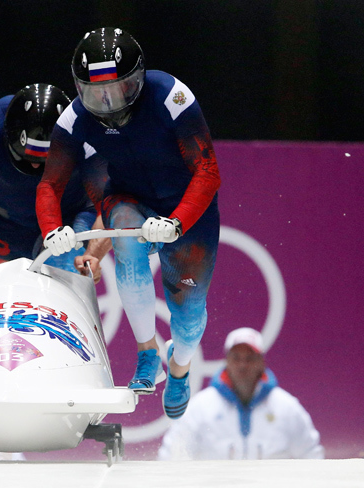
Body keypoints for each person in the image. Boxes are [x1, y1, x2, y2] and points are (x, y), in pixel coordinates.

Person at [36, 27, 220, 419]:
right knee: (125, 237)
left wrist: (177, 221)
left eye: (119, 90)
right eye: (95, 93)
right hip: (130, 198)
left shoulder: (172, 97)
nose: (106, 102)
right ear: (79, 88)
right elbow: (50, 184)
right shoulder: (73, 119)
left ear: (138, 80)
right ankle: (146, 351)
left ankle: (179, 366)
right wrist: (52, 229)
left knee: (187, 319)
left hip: (187, 207)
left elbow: (207, 171)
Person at [0, 83, 110, 281]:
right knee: (3, 296)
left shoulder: (84, 129)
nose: (34, 168)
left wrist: (92, 255)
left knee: (61, 283)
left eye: (44, 160)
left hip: (71, 220)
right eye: (29, 157)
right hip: (11, 225)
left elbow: (108, 204)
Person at [157, 327, 325, 460]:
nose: (243, 365)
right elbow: (172, 457)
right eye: (236, 357)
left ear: (261, 362)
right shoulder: (200, 408)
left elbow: (312, 456)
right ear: (226, 361)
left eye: (250, 358)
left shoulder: (287, 408)